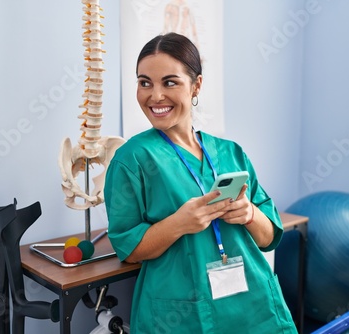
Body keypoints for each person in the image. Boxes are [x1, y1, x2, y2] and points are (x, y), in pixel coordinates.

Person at [104, 32, 297, 334]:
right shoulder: (131, 160)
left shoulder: (230, 152)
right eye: (145, 83)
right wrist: (179, 223)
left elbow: (269, 236)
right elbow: (127, 247)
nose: (155, 96)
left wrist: (249, 214)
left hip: (253, 307)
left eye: (170, 82)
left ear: (196, 85)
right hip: (181, 313)